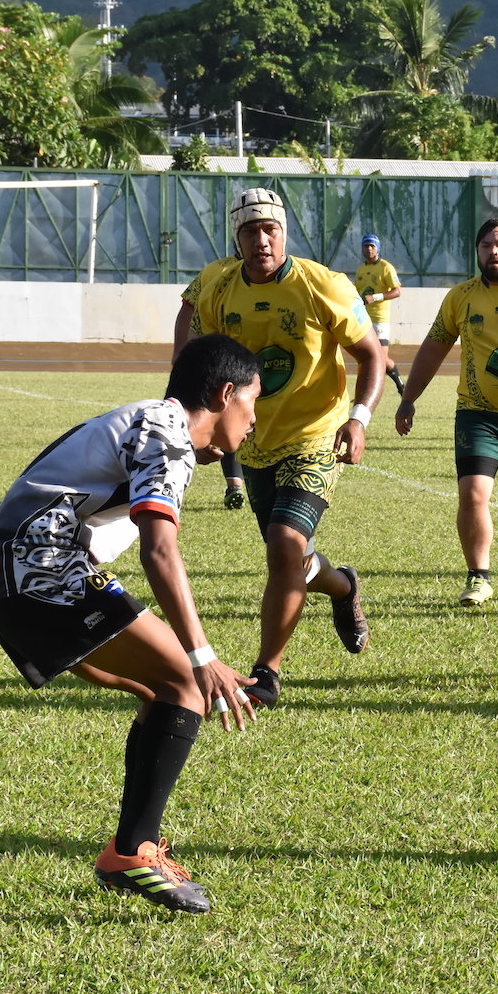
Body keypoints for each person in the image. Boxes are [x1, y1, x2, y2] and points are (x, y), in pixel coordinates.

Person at [0, 334, 262, 914]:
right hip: (39, 568)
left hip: (22, 567)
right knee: (185, 681)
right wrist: (204, 655)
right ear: (225, 394)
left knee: (167, 693)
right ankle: (132, 851)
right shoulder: (169, 434)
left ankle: (134, 847)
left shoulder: (153, 421)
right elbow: (159, 552)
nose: (254, 421)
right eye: (253, 404)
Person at [176, 187, 386, 704]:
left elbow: (371, 355)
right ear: (237, 238)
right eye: (251, 231)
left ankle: (267, 673)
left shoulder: (324, 285)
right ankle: (343, 587)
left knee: (284, 547)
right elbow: (189, 321)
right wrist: (190, 415)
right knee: (293, 559)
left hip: (315, 434)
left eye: (271, 230)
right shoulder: (217, 284)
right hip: (253, 442)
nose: (262, 240)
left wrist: (358, 420)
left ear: (284, 233)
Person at [394, 219, 498, 606]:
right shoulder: (460, 297)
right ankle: (478, 577)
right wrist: (408, 398)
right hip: (477, 413)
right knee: (473, 494)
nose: (493, 252)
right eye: (485, 246)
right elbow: (434, 348)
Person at [170, 253, 250, 511]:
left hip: (255, 360)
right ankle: (235, 484)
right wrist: (180, 350)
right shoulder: (214, 270)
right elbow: (188, 305)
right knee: (225, 414)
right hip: (220, 359)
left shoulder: (272, 270)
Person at [354, 233, 406, 396]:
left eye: (372, 246)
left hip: (380, 320)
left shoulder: (386, 267)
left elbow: (397, 291)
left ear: (377, 248)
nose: (369, 249)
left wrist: (375, 297)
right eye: (366, 246)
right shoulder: (361, 270)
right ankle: (364, 392)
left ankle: (401, 386)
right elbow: (358, 293)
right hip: (363, 319)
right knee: (365, 357)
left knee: (382, 360)